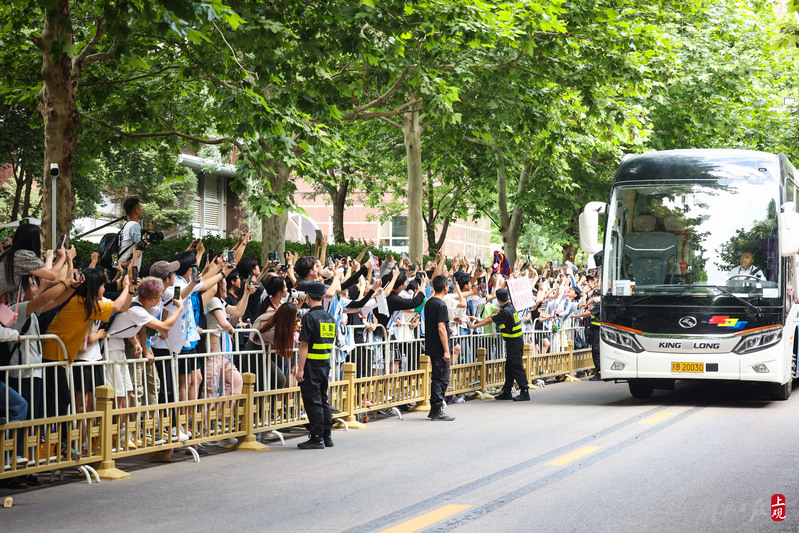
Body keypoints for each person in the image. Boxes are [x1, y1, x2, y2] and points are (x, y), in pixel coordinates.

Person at [469, 288, 530, 401]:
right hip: (513, 341)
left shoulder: (505, 312)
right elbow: (492, 316)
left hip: (514, 342)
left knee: (516, 366)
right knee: (509, 367)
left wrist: (474, 326)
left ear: (497, 299)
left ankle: (525, 390)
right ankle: (507, 391)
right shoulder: (508, 307)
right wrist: (479, 320)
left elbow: (490, 320)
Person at [295, 282, 336, 449]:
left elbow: (304, 346)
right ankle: (327, 435)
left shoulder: (310, 318)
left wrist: (300, 369)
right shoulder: (330, 318)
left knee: (313, 401)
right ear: (323, 297)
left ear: (307, 297)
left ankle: (316, 437)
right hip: (324, 364)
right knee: (323, 399)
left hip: (311, 365)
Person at [423, 274, 459, 421]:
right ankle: (437, 409)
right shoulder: (441, 304)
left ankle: (434, 409)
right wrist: (446, 349)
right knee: (441, 378)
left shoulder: (429, 303)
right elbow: (441, 328)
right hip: (439, 346)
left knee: (437, 377)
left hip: (431, 343)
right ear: (445, 287)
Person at [119, 197, 144, 267]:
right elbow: (142, 245)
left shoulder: (126, 224)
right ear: (136, 210)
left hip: (121, 263)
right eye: (141, 209)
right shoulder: (135, 225)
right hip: (129, 266)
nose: (141, 211)